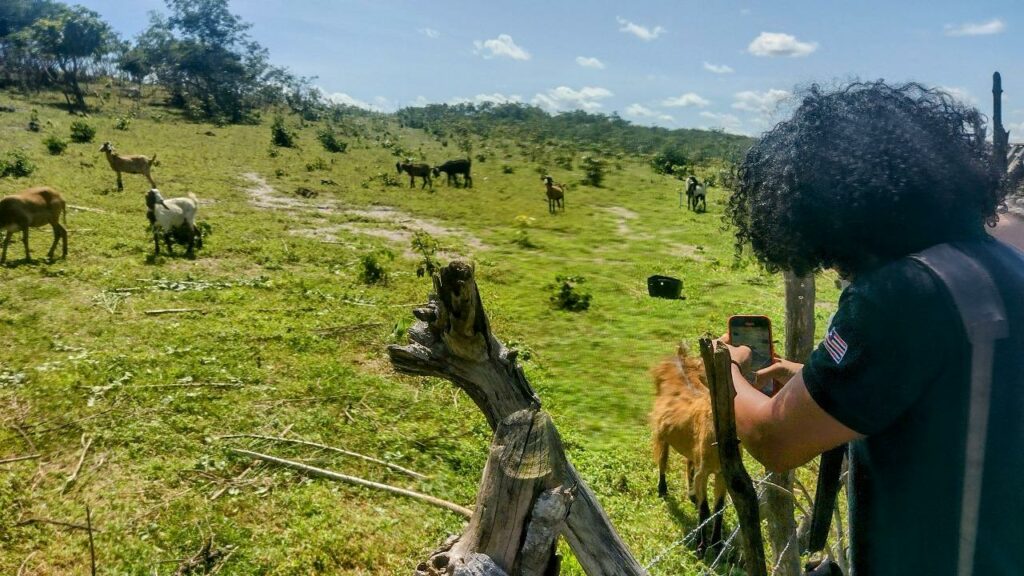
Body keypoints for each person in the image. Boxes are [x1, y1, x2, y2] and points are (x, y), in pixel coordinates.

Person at [719, 81, 1024, 576]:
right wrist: (812, 379)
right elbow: (969, 387)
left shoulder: (902, 291)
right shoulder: (1005, 266)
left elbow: (777, 442)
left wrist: (729, 375)